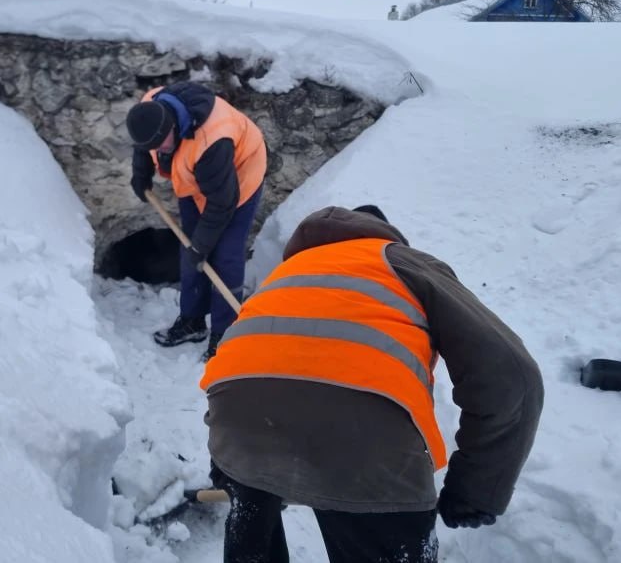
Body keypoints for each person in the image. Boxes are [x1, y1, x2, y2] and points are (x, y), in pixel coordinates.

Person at [200, 205, 544, 563]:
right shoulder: (400, 262)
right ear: (384, 233)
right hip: (366, 445)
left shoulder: (286, 274)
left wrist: (227, 463)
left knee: (252, 533)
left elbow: (237, 364)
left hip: (239, 421)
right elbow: (512, 375)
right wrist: (476, 490)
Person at [126, 81, 266, 361]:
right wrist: (141, 174)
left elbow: (222, 203)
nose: (159, 151)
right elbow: (144, 147)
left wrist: (203, 246)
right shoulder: (151, 109)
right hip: (193, 177)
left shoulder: (212, 140)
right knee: (189, 247)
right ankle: (192, 321)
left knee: (225, 255)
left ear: (173, 127)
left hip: (237, 180)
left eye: (161, 144)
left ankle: (226, 334)